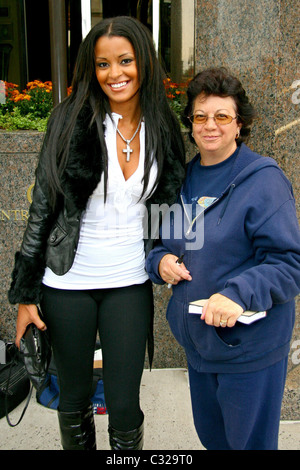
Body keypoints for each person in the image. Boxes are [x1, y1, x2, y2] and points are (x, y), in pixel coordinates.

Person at [8, 16, 185, 450]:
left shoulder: (162, 127)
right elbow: (43, 208)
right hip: (67, 281)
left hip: (129, 278)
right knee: (73, 399)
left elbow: (168, 207)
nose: (114, 74)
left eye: (125, 61)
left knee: (125, 406)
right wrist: (25, 295)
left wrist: (171, 256)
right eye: (103, 64)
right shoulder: (70, 120)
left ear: (143, 62)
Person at [146, 67, 300, 450]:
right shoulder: (180, 178)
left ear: (239, 125)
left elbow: (289, 262)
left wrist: (238, 293)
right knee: (215, 441)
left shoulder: (263, 180)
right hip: (199, 346)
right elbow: (158, 244)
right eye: (200, 116)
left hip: (249, 349)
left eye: (222, 116)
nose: (209, 125)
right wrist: (160, 261)